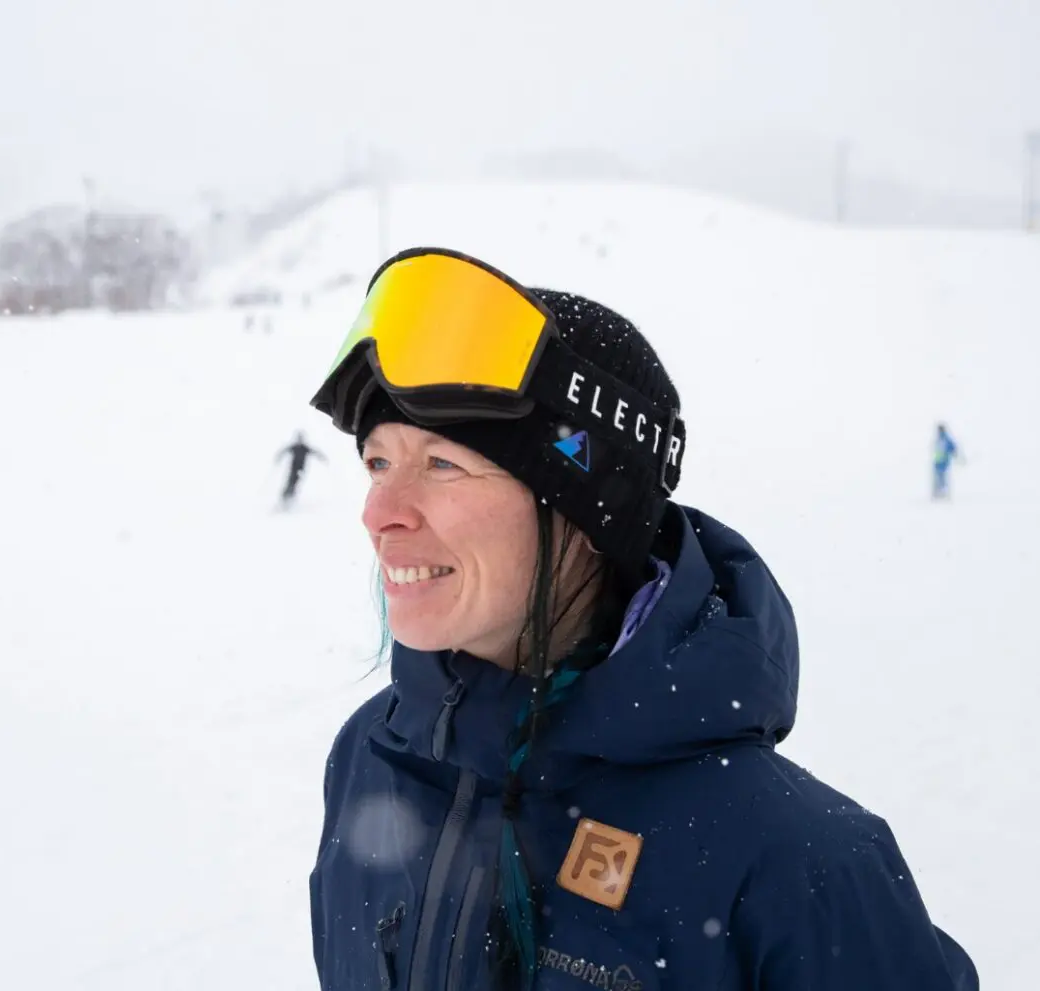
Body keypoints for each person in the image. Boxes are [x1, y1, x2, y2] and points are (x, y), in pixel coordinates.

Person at [307, 247, 978, 991]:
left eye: (441, 465)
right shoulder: (374, 756)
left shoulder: (798, 863)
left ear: (589, 515)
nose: (380, 514)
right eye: (376, 462)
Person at [273, 431, 324, 510]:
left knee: (294, 484)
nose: (300, 441)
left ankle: (289, 499)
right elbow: (284, 450)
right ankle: (284, 499)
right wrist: (278, 457)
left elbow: (314, 452)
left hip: (300, 470)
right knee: (289, 483)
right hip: (293, 469)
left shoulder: (305, 448)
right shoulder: (294, 447)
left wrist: (321, 457)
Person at [933, 423, 961, 500]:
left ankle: (942, 491)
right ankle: (938, 491)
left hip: (943, 461)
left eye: (939, 429)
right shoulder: (938, 439)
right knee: (938, 477)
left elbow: (952, 447)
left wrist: (954, 453)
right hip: (937, 461)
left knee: (942, 476)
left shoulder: (945, 439)